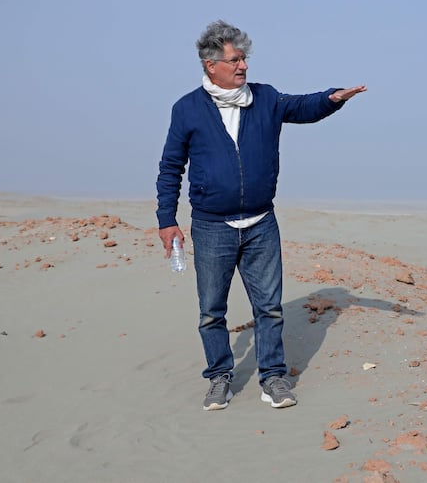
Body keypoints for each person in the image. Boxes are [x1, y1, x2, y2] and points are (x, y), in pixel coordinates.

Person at [156, 20, 366, 411]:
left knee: (268, 307)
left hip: (260, 224)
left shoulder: (265, 99)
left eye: (245, 59)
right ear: (210, 65)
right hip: (211, 226)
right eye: (235, 60)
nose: (243, 66)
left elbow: (304, 106)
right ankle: (219, 377)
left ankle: (273, 378)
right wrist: (166, 220)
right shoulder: (186, 109)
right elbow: (171, 167)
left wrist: (334, 97)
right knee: (210, 311)